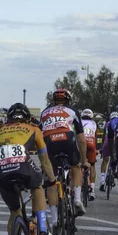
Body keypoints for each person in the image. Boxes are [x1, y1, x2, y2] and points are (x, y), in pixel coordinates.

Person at [0, 103, 57, 235]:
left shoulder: (1, 130)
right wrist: (52, 180)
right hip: (22, 163)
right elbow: (45, 160)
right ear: (27, 118)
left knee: (15, 211)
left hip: (0, 169)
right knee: (38, 186)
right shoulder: (34, 129)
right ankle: (42, 230)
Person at [40, 88, 89, 220]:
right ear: (68, 100)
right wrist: (84, 160)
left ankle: (55, 220)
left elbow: (39, 136)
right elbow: (81, 139)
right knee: (76, 166)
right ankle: (77, 199)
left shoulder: (45, 112)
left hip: (49, 140)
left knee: (51, 180)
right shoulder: (72, 110)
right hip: (67, 137)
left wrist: (43, 163)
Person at [81, 108, 98, 201]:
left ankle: (77, 186)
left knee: (78, 165)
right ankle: (92, 190)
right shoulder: (94, 124)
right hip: (91, 144)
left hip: (81, 144)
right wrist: (96, 150)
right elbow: (95, 138)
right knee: (92, 166)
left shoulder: (78, 122)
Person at [99, 111, 118, 192]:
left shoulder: (107, 124)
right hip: (116, 142)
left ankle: (102, 181)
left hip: (107, 142)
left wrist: (101, 147)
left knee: (105, 161)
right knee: (116, 159)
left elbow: (103, 136)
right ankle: (114, 173)